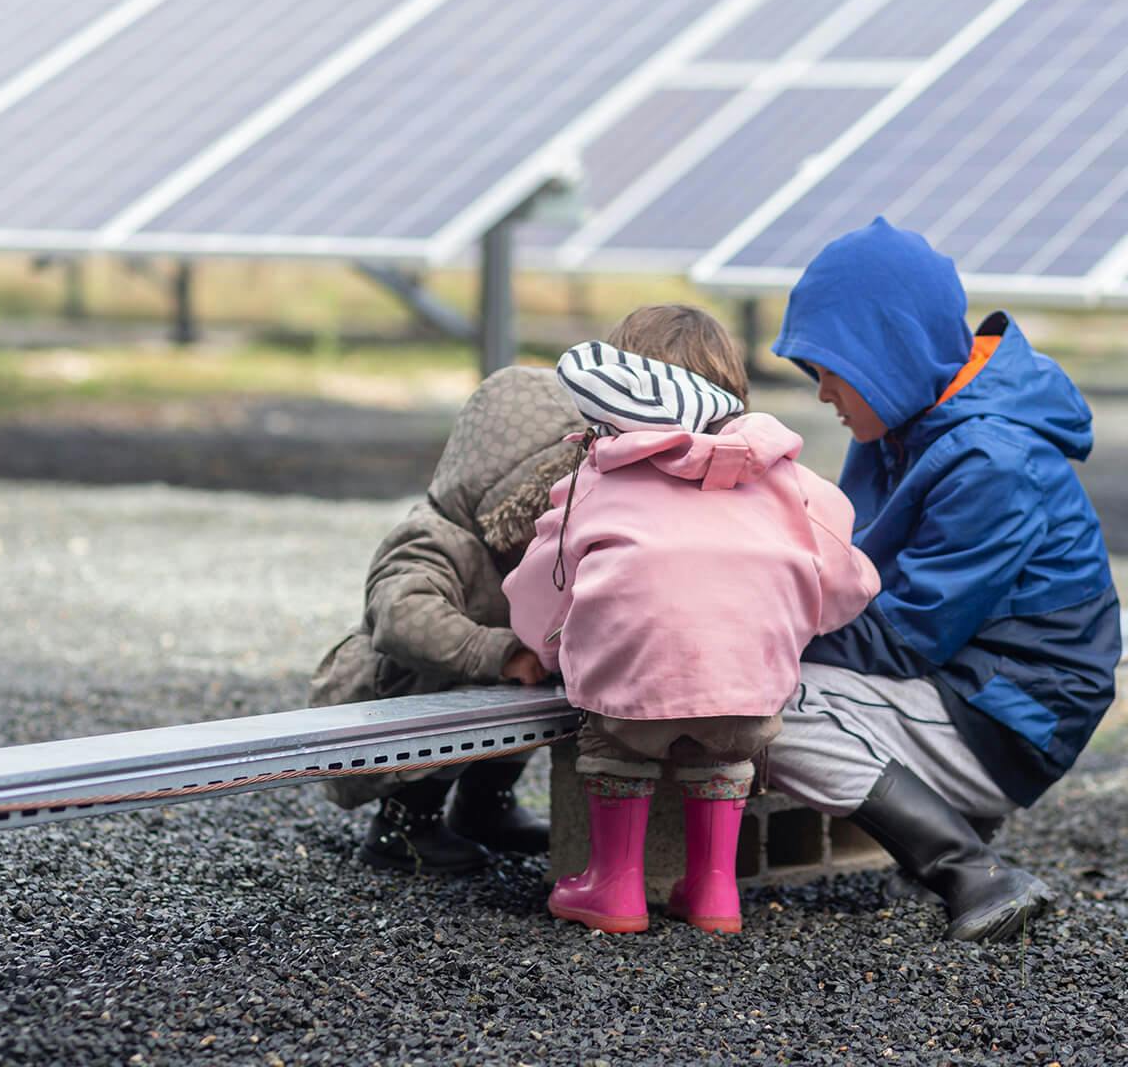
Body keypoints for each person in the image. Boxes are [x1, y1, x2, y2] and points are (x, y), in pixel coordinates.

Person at [766, 216, 1121, 943]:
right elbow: (848, 572)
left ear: (887, 350)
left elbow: (905, 636)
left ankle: (971, 872)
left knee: (753, 701)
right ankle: (954, 822)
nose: (822, 391)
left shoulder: (991, 460)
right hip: (971, 682)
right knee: (759, 667)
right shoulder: (904, 425)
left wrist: (756, 630)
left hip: (1016, 715)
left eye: (832, 367)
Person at [503, 306, 879, 934]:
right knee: (727, 752)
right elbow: (850, 579)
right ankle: (713, 890)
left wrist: (544, 650)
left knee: (612, 744)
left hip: (630, 690)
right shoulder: (789, 478)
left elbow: (546, 585)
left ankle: (614, 888)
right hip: (747, 691)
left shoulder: (599, 476)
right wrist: (794, 627)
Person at [309, 365, 584, 875]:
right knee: (461, 687)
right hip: (382, 701)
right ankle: (402, 827)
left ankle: (485, 805)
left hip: (471, 686)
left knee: (537, 685)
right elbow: (402, 616)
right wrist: (502, 652)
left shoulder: (522, 551)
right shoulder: (433, 538)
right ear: (504, 491)